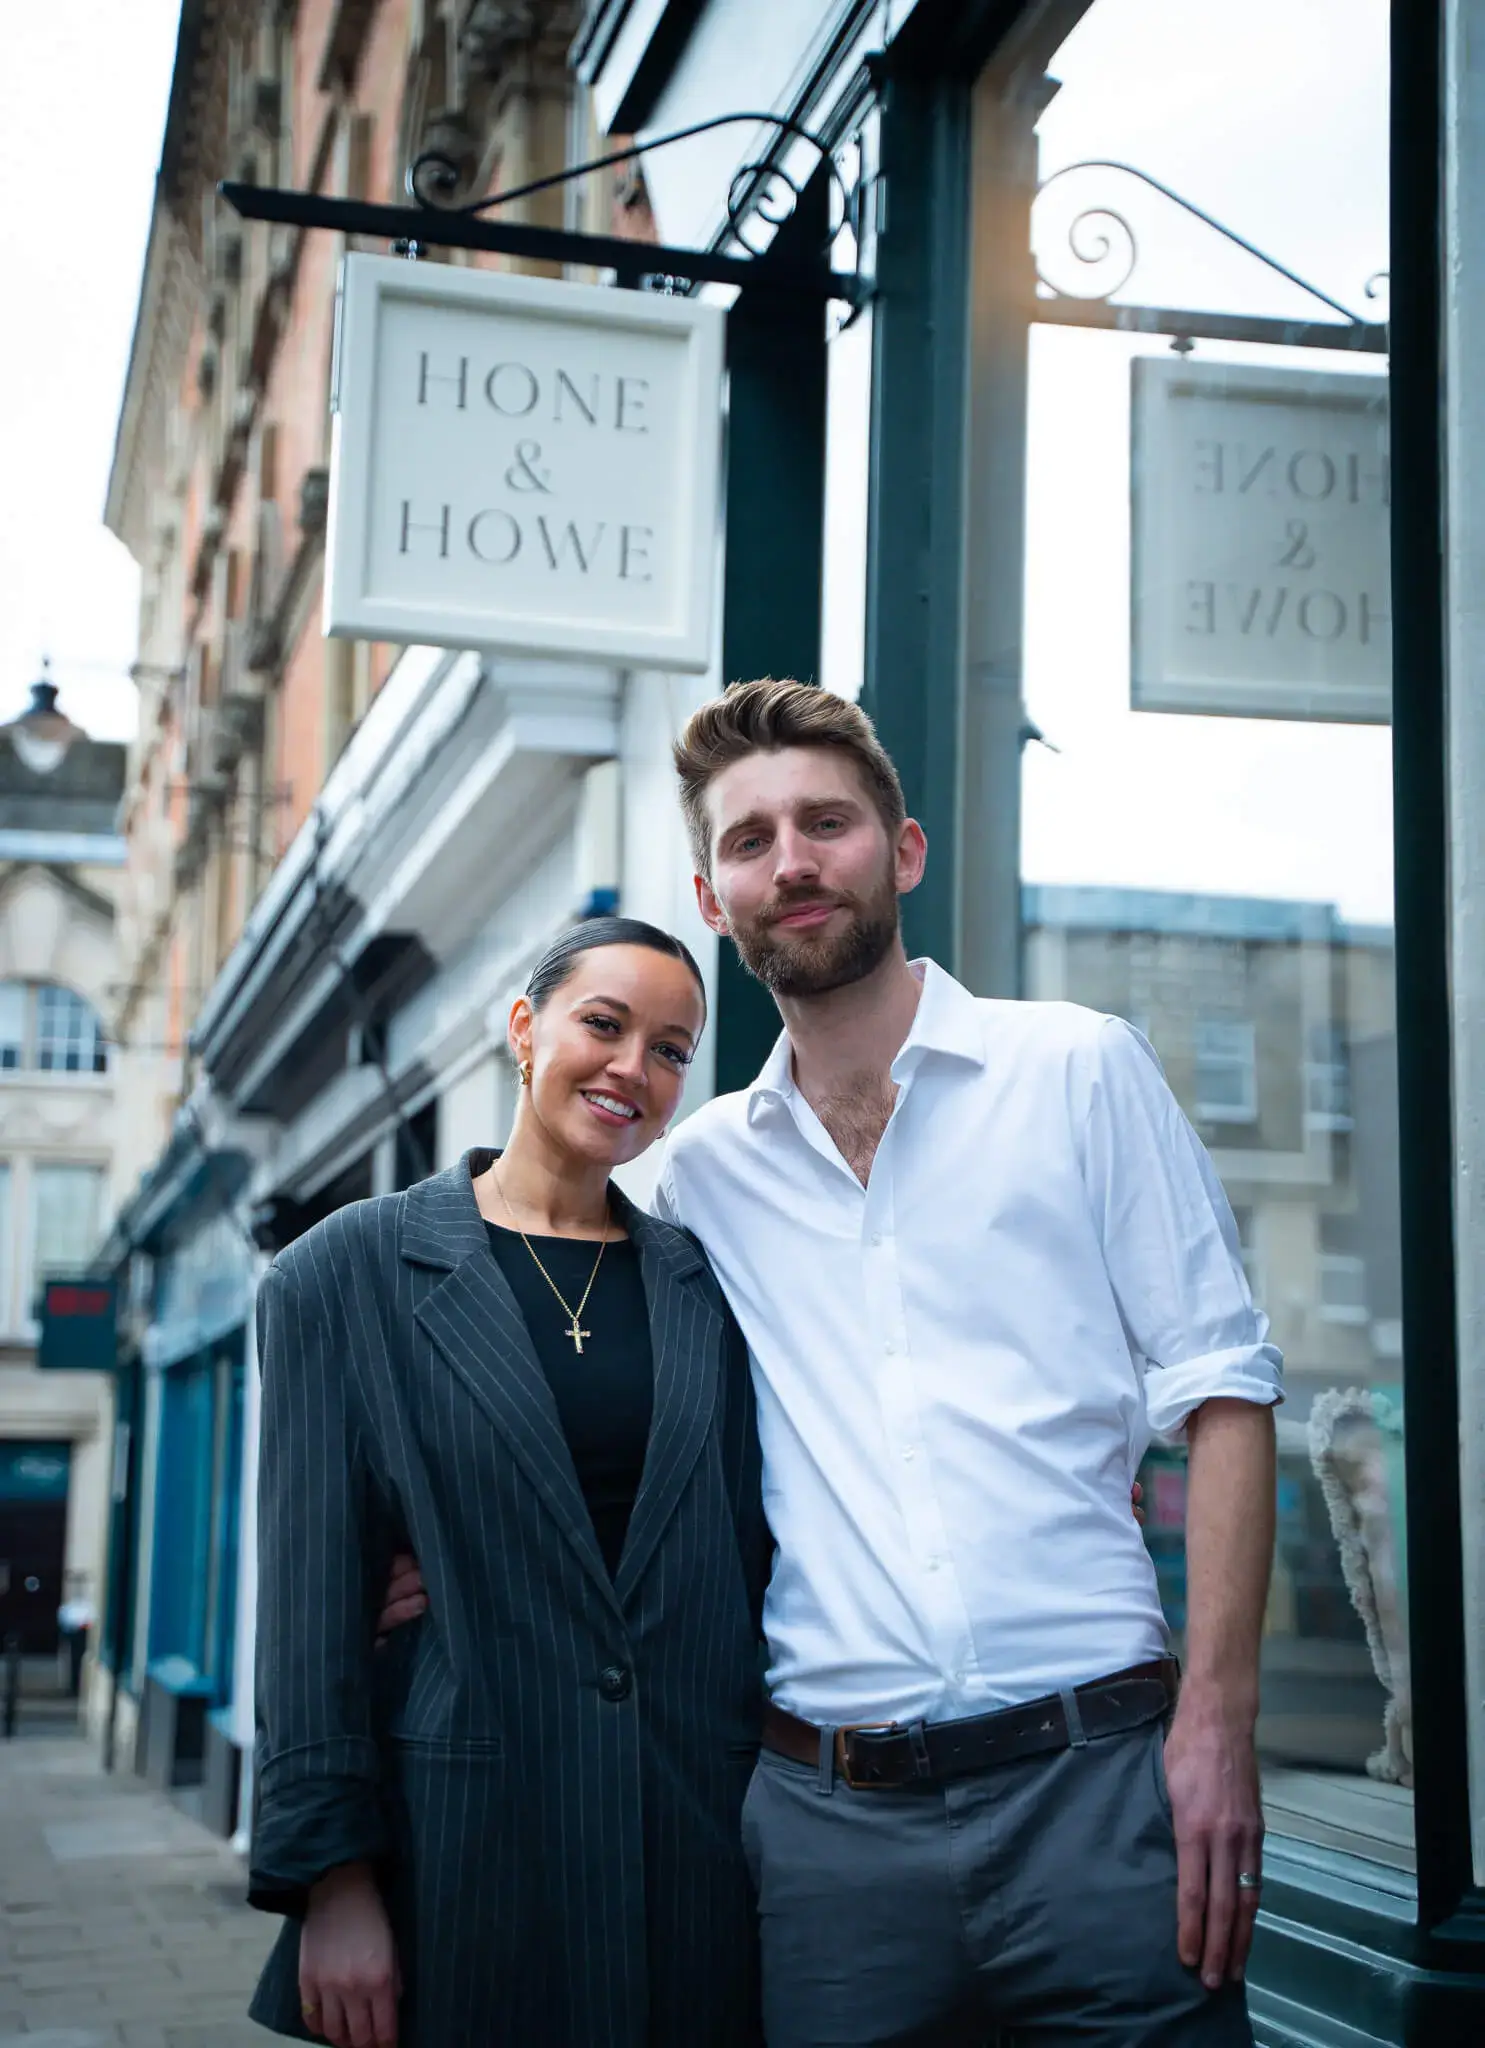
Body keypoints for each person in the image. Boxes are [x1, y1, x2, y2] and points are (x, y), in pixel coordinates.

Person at [379, 678, 1281, 2045]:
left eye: (825, 824)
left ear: (901, 851)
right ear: (710, 896)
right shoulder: (685, 1188)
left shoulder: (1076, 1073)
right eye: (749, 842)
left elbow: (1222, 1393)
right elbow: (549, 1381)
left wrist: (1215, 1726)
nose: (791, 862)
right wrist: (438, 1538)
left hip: (1103, 1792)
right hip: (826, 1840)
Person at [247, 917, 770, 2048]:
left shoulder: (709, 1285)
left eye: (674, 1047)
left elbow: (750, 1548)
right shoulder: (342, 1273)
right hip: (463, 1838)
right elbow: (305, 1609)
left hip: (688, 1842)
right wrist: (331, 1881)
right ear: (525, 1029)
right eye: (605, 1022)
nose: (635, 1066)